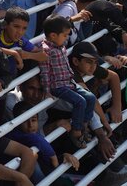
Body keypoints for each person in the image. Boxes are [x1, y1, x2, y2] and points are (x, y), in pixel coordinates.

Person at [38, 15, 96, 148]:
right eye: (64, 35)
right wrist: (47, 91)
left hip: (69, 83)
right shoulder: (46, 51)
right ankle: (76, 132)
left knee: (90, 97)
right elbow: (45, 73)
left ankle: (84, 126)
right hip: (58, 86)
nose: (67, 38)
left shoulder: (61, 46)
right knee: (80, 101)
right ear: (53, 35)